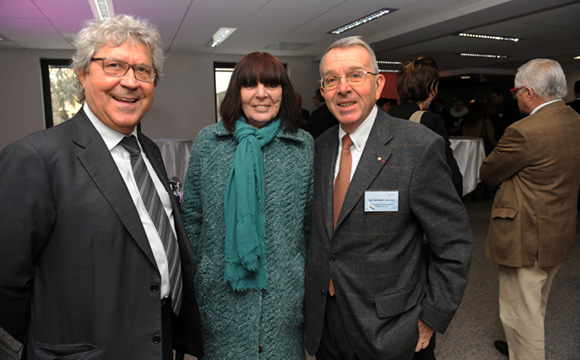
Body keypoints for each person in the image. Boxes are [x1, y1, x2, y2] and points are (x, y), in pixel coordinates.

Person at [0, 15, 203, 359]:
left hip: (159, 338)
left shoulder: (149, 150)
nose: (130, 82)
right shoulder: (35, 158)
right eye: (114, 66)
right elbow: (7, 283)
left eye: (143, 70)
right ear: (82, 74)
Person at [304, 36, 472, 360]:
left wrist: (431, 317)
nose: (343, 88)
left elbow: (454, 242)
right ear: (323, 91)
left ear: (379, 84)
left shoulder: (418, 147)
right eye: (331, 80)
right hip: (326, 321)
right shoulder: (319, 148)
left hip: (392, 329)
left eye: (355, 75)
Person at [181, 51, 314, 359]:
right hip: (221, 296)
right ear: (236, 92)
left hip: (283, 300)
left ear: (284, 92)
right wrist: (203, 273)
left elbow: (310, 225)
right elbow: (192, 216)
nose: (261, 94)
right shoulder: (208, 142)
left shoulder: (303, 146)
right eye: (250, 85)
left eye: (271, 84)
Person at [481, 59, 580, 360]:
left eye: (516, 91)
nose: (516, 97)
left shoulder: (523, 131)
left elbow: (488, 173)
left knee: (521, 317)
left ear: (528, 92)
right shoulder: (574, 119)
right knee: (537, 303)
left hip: (528, 237)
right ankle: (516, 348)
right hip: (559, 231)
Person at [390, 55, 463, 197]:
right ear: (432, 89)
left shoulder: (386, 118)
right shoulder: (430, 121)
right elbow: (448, 168)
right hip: (419, 197)